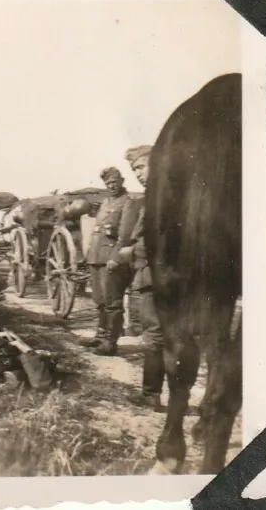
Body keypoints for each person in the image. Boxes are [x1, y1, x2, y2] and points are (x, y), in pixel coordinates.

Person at [113, 145, 165, 410]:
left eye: (141, 167)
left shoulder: (162, 196)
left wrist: (130, 251)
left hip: (156, 278)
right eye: (134, 170)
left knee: (154, 337)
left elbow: (162, 241)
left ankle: (151, 395)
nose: (138, 174)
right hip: (162, 276)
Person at [81, 166, 131, 356]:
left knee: (112, 302)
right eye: (108, 183)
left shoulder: (127, 203)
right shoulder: (106, 202)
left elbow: (124, 236)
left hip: (110, 259)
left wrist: (115, 258)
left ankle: (111, 342)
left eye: (114, 182)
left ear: (122, 182)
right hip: (96, 258)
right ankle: (101, 335)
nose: (111, 186)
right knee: (100, 300)